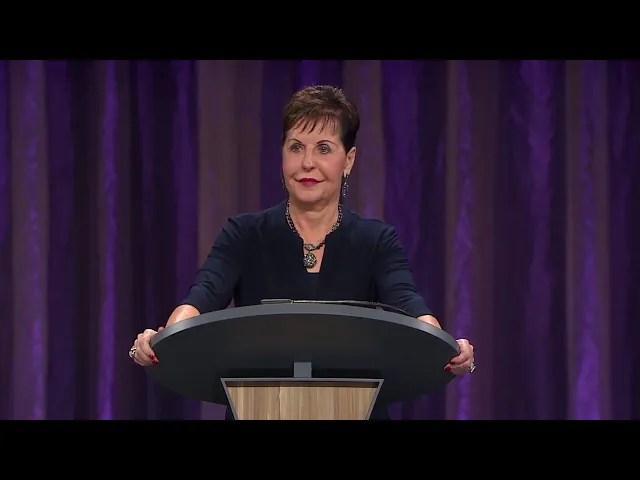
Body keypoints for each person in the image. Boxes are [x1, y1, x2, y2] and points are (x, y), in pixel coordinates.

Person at [129, 85, 475, 419]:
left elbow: (410, 304)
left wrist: (445, 347)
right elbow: (201, 297)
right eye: (296, 147)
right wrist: (164, 338)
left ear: (349, 160)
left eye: (323, 148)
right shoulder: (244, 234)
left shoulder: (376, 240)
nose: (307, 163)